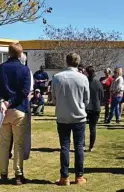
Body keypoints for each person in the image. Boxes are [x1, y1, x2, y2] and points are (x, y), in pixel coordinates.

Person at [0, 43, 31, 185]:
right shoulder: (25, 70)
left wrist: (1, 102)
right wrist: (10, 102)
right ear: (20, 54)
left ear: (8, 53)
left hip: (4, 111)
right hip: (19, 109)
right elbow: (25, 91)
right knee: (18, 144)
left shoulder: (0, 69)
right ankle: (18, 175)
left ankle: (3, 174)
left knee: (4, 144)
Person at [52, 52, 89, 186]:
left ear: (66, 61)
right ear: (78, 63)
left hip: (63, 116)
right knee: (79, 146)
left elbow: (53, 98)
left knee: (64, 147)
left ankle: (64, 177)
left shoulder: (57, 77)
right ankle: (79, 176)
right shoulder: (83, 78)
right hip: (79, 116)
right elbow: (86, 99)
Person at [85, 65, 103, 152]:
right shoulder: (98, 83)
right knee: (93, 128)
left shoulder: (85, 82)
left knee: (83, 127)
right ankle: (91, 146)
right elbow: (101, 96)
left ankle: (82, 144)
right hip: (95, 107)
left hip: (86, 107)